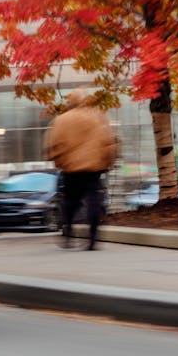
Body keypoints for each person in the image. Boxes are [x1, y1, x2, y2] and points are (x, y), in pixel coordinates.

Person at [44, 89, 119, 250]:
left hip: (72, 169)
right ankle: (92, 240)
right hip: (94, 169)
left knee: (71, 202)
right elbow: (109, 141)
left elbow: (54, 144)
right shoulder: (97, 117)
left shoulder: (62, 120)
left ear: (70, 102)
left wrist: (59, 162)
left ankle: (68, 234)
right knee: (93, 203)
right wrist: (108, 162)